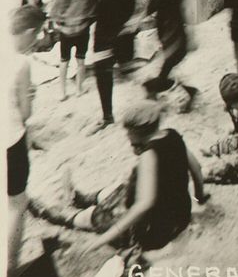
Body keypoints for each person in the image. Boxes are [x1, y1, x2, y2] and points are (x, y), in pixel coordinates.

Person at [71, 100, 207, 257]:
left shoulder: (149, 155)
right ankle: (87, 199)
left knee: (90, 217)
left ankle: (67, 216)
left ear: (135, 132)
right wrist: (199, 198)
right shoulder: (173, 135)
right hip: (180, 217)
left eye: (128, 132)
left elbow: (144, 204)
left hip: (155, 230)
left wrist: (103, 239)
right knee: (124, 187)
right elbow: (196, 169)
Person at [82, 0, 138, 132]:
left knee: (127, 68)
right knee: (101, 68)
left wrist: (133, 19)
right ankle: (107, 115)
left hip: (122, 20)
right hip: (105, 22)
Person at [8, 5, 43, 274]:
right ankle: (9, 266)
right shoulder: (21, 63)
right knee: (16, 203)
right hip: (10, 139)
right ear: (30, 32)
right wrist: (30, 97)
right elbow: (25, 113)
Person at [50, 0, 93, 100]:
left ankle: (62, 92)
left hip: (65, 31)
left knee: (64, 61)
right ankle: (79, 90)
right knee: (81, 60)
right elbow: (92, 8)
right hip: (82, 29)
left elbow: (56, 9)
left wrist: (59, 24)